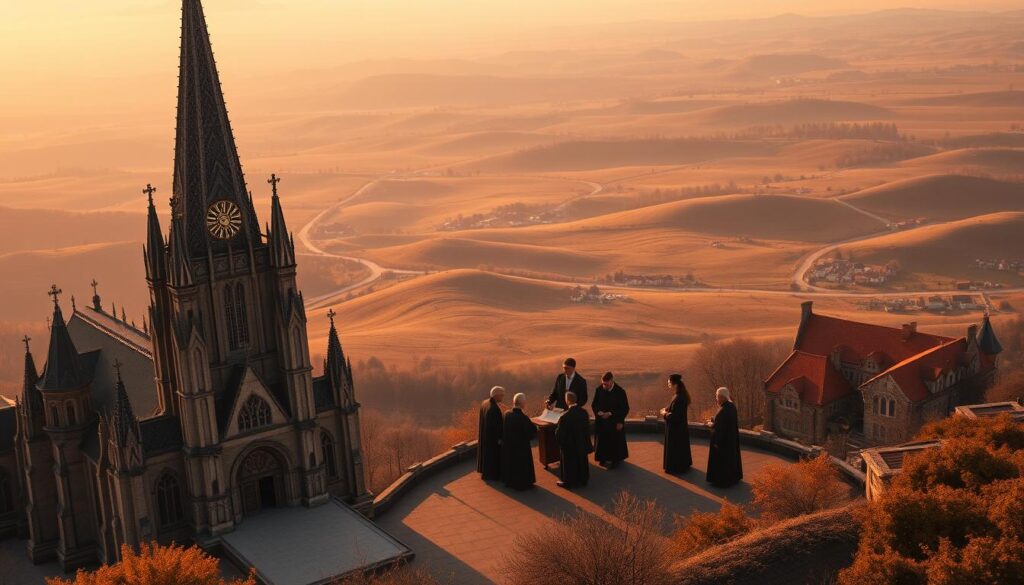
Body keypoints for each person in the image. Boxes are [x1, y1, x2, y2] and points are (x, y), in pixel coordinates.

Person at [706, 387, 743, 488]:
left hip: (723, 443)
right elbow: (725, 421)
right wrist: (715, 419)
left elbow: (719, 428)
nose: (716, 399)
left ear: (722, 397)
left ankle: (721, 481)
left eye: (717, 397)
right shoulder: (731, 407)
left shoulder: (723, 410)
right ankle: (733, 478)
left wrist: (711, 424)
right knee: (730, 460)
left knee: (722, 462)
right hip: (731, 441)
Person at [554, 391, 592, 488]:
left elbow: (560, 434)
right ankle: (583, 479)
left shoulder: (565, 416)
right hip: (581, 443)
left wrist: (560, 442)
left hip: (570, 447)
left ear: (567, 401)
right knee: (582, 461)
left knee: (569, 463)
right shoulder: (584, 413)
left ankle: (568, 482)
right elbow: (587, 429)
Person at [592, 371, 629, 468]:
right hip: (602, 421)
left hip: (614, 421)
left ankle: (615, 460)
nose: (604, 386)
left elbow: (625, 408)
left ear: (612, 381)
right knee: (602, 441)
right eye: (603, 384)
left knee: (614, 442)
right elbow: (594, 404)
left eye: (606, 384)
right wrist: (599, 412)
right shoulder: (599, 389)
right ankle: (602, 458)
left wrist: (617, 419)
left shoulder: (620, 392)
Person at [501, 393, 538, 490]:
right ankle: (523, 483)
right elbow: (531, 432)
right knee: (522, 466)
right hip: (521, 448)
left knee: (512, 465)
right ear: (522, 404)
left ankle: (510, 481)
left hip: (509, 447)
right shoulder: (523, 418)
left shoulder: (507, 414)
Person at [660, 373, 693, 474]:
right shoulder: (679, 395)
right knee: (681, 448)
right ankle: (683, 464)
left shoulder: (679, 397)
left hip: (676, 429)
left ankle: (675, 467)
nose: (668, 384)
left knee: (675, 448)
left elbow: (675, 416)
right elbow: (675, 409)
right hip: (680, 428)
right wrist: (668, 408)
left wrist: (664, 413)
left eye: (669, 382)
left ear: (675, 384)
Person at [477, 385, 505, 481]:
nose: (502, 397)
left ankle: (486, 473)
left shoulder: (485, 403)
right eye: (501, 395)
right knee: (492, 457)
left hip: (485, 436)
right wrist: (500, 439)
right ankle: (492, 475)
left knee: (486, 456)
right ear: (496, 396)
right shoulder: (494, 409)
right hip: (491, 438)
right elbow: (495, 427)